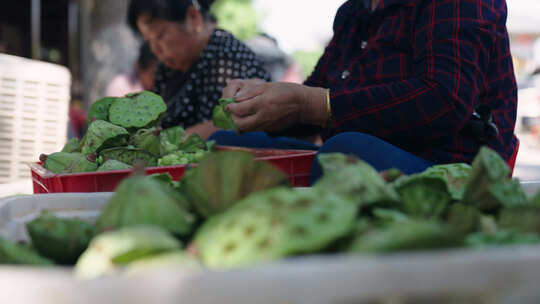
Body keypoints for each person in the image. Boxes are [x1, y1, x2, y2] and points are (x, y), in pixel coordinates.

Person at [213, 0, 519, 184]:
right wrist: (262, 100)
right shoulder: (355, 12)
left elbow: (444, 99)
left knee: (346, 154)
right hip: (366, 151)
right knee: (224, 146)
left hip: (451, 166)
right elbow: (315, 97)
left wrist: (312, 104)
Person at [127, 0, 270, 139]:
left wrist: (168, 141)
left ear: (193, 17)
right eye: (149, 41)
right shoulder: (167, 68)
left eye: (160, 36)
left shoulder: (228, 58)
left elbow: (234, 123)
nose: (155, 49)